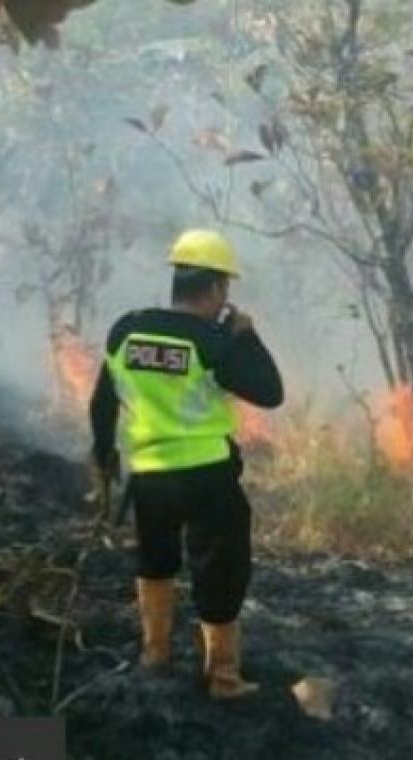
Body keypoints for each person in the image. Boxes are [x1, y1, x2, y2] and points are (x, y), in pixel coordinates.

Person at [88, 229, 283, 700]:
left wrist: (103, 454)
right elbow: (271, 392)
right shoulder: (213, 342)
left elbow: (102, 401)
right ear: (216, 289)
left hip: (150, 474)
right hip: (208, 476)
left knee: (155, 561)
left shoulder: (126, 330)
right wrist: (247, 335)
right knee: (220, 569)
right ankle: (223, 677)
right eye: (225, 290)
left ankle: (154, 654)